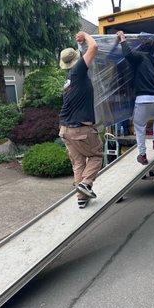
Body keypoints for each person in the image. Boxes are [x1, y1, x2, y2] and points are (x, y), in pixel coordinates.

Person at [59, 31, 103, 209]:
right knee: (96, 156)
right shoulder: (78, 71)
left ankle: (81, 198)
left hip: (65, 129)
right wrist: (85, 34)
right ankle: (86, 184)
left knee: (78, 163)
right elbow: (94, 47)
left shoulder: (69, 79)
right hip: (80, 129)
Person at [117, 31, 154, 165]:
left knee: (140, 126)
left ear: (142, 49)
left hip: (143, 99)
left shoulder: (141, 57)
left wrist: (123, 39)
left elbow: (128, 55)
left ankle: (142, 155)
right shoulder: (153, 61)